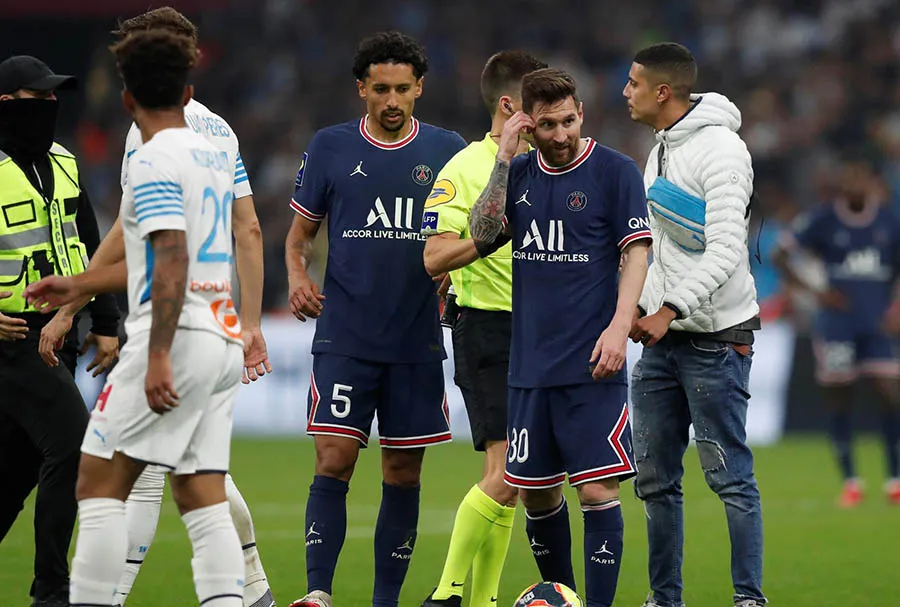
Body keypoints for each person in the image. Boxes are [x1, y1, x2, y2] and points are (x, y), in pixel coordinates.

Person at [29, 8, 275, 607]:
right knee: (201, 492)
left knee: (100, 479)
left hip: (175, 332)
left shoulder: (151, 152)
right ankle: (246, 597)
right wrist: (80, 288)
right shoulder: (217, 146)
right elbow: (233, 234)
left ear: (127, 93)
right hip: (219, 333)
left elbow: (166, 256)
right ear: (189, 85)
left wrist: (156, 350)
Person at [284, 31, 466, 607]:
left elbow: (468, 234)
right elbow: (298, 239)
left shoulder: (448, 149)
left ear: (419, 89)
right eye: (381, 89)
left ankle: (385, 600)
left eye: (403, 89)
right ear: (362, 88)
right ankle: (318, 593)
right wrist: (296, 278)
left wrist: (456, 272)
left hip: (416, 338)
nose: (392, 100)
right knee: (333, 458)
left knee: (403, 474)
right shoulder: (330, 147)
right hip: (346, 334)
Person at [466, 67, 652, 607]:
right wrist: (502, 158)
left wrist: (619, 328)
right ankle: (563, 595)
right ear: (528, 124)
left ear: (581, 114)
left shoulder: (615, 172)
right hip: (528, 369)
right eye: (548, 125)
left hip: (594, 364)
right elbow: (480, 236)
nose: (562, 134)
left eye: (569, 120)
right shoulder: (518, 173)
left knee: (596, 491)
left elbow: (636, 252)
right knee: (539, 496)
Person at [622, 43, 765, 607]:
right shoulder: (659, 149)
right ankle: (664, 599)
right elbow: (666, 249)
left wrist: (667, 308)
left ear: (663, 92)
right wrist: (641, 304)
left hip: (715, 340)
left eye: (634, 83)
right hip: (664, 342)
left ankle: (749, 599)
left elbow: (726, 249)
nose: (625, 91)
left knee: (730, 478)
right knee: (654, 481)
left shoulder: (723, 151)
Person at [418, 50, 546, 607]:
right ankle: (446, 593)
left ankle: (483, 599)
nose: (548, 117)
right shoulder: (466, 169)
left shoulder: (548, 169)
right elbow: (433, 257)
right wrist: (486, 240)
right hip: (487, 328)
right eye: (537, 105)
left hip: (538, 333)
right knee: (507, 471)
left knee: (515, 480)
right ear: (508, 105)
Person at [0, 54, 120, 607]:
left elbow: (92, 250)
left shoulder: (67, 162)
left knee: (19, 465)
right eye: (36, 99)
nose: (49, 108)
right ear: (6, 105)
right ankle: (51, 589)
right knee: (73, 444)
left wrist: (105, 321)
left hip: (62, 336)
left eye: (54, 99)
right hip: (11, 339)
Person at [773, 158, 900, 507]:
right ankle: (851, 481)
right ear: (843, 183)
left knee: (889, 394)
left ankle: (894, 479)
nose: (856, 185)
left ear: (872, 182)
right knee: (839, 396)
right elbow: (779, 255)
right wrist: (817, 294)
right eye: (850, 178)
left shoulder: (889, 220)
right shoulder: (824, 219)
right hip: (837, 326)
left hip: (877, 325)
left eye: (862, 177)